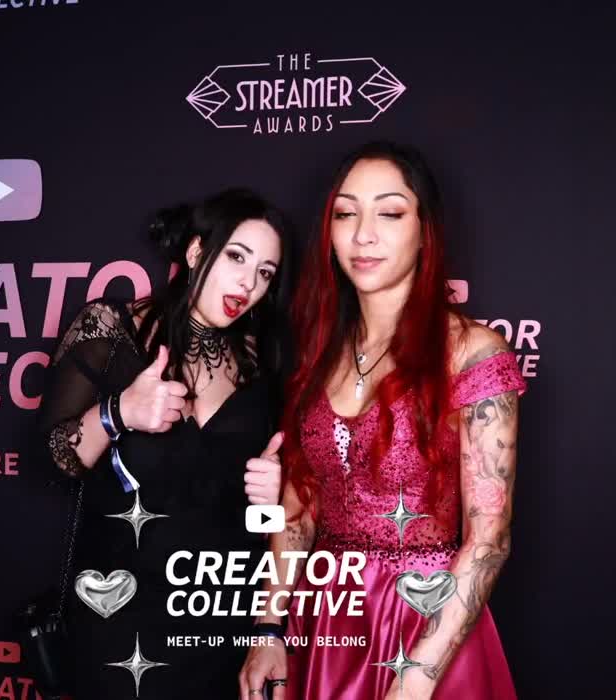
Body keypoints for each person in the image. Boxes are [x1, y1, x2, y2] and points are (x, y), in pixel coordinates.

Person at [239, 141, 526, 700]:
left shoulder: (472, 352)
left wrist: (415, 679)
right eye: (346, 214)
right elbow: (299, 508)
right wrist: (269, 626)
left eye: (389, 213)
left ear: (425, 230)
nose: (363, 235)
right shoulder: (317, 353)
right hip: (325, 622)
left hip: (427, 625)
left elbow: (489, 539)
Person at [38, 188, 294, 699]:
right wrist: (118, 413)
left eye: (265, 272)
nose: (248, 283)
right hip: (118, 624)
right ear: (197, 251)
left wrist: (272, 501)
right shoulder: (113, 330)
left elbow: (268, 524)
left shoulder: (262, 362)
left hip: (217, 631)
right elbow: (54, 459)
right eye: (236, 257)